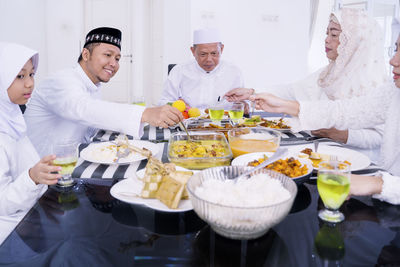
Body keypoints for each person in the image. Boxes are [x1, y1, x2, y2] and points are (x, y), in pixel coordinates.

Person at [248, 32, 400, 205]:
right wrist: (284, 105)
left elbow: (375, 137)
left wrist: (378, 183)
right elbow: (344, 111)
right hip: (377, 189)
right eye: (395, 49)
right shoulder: (393, 92)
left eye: (334, 34)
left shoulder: (375, 79)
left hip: (367, 175)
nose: (393, 61)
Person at [224, 8, 388, 162]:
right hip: (319, 156)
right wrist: (252, 92)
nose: (326, 39)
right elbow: (291, 91)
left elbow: (380, 136)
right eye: (327, 33)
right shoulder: (328, 73)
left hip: (356, 164)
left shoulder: (377, 83)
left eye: (334, 34)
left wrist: (342, 135)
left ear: (355, 41)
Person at [25, 27, 183, 156]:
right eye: (108, 55)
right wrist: (145, 113)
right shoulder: (62, 80)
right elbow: (83, 108)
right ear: (86, 54)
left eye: (117, 58)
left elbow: (94, 122)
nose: (113, 63)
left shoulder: (93, 84)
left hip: (74, 162)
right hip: (44, 175)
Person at [0, 42, 61, 244]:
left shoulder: (12, 117)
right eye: (20, 76)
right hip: (9, 234)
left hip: (30, 217)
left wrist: (40, 177)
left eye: (31, 74)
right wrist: (32, 177)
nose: (29, 83)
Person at [158, 28, 244, 109]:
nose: (209, 59)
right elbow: (163, 102)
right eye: (203, 54)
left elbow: (243, 103)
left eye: (214, 53)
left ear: (221, 49)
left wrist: (244, 105)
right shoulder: (179, 71)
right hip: (187, 122)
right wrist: (177, 105)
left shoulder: (234, 71)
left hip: (224, 123)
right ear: (193, 51)